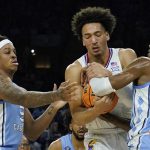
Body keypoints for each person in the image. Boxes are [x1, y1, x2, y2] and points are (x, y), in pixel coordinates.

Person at [65, 7, 137, 150]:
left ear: (107, 35)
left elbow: (139, 96)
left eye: (98, 34)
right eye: (87, 36)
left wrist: (108, 75)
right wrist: (97, 110)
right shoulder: (75, 69)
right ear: (83, 41)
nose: (93, 40)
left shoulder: (125, 56)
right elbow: (77, 116)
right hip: (98, 136)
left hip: (130, 130)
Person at [0, 35, 76, 149]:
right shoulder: (18, 94)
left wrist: (53, 107)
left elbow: (32, 132)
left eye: (14, 51)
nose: (13, 55)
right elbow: (24, 98)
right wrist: (56, 95)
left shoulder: (18, 91)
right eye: (7, 52)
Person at [83, 56, 150, 150]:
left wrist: (96, 74)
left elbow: (99, 88)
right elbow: (134, 124)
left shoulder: (145, 64)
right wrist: (105, 115)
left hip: (144, 143)